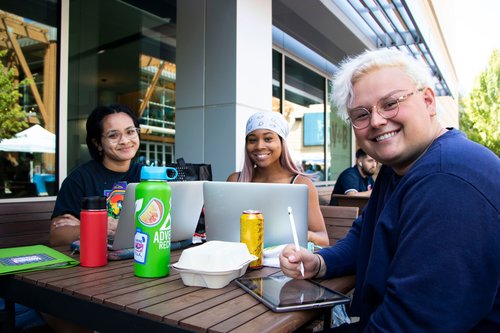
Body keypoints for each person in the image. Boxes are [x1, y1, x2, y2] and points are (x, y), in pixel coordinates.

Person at [279, 49, 500, 332]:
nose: (376, 121)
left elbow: (412, 324)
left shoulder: (447, 179)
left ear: (429, 101)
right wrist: (320, 263)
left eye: (390, 103)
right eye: (361, 114)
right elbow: (364, 235)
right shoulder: (397, 169)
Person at [227, 111, 329, 248]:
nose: (259, 146)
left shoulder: (300, 183)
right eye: (252, 140)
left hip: (284, 265)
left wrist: (303, 235)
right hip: (240, 262)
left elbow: (323, 239)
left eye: (268, 139)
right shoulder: (235, 180)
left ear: (282, 142)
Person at [50, 104, 142, 246]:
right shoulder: (79, 179)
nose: (124, 140)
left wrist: (83, 224)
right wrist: (95, 226)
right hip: (98, 261)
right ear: (97, 143)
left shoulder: (150, 176)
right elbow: (57, 236)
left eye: (130, 132)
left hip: (144, 252)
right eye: (113, 135)